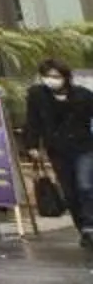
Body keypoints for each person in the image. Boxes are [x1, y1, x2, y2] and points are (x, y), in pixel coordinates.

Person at [21, 60, 93, 250]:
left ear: (65, 77)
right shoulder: (37, 95)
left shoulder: (83, 96)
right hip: (58, 150)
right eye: (46, 76)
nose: (50, 80)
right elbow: (32, 120)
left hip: (84, 147)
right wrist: (32, 144)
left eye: (55, 76)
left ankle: (90, 225)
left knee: (85, 186)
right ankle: (84, 230)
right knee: (70, 192)